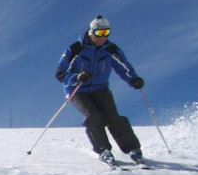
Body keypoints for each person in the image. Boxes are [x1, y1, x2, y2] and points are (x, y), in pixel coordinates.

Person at [55, 15, 146, 167]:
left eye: (106, 33)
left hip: (101, 88)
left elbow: (123, 66)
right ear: (91, 33)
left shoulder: (110, 49)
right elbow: (60, 73)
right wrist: (77, 77)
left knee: (113, 117)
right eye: (99, 33)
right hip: (77, 90)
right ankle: (103, 150)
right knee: (93, 116)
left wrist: (133, 79)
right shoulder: (76, 49)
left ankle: (133, 149)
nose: (102, 38)